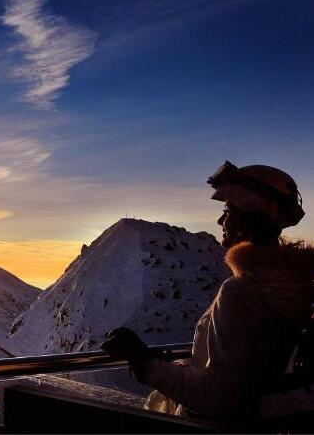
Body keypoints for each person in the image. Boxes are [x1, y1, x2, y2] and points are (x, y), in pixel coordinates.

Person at [100, 161, 314, 422]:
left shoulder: (240, 293)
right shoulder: (290, 287)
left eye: (228, 210)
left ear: (249, 217)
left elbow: (217, 400)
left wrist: (144, 361)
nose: (221, 220)